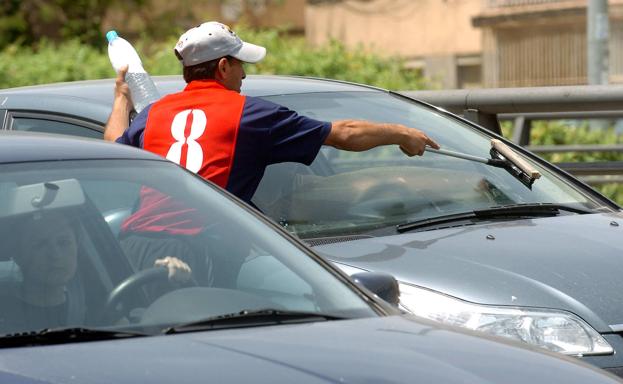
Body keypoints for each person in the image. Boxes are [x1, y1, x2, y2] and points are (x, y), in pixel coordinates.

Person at [104, 21, 440, 286]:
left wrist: (122, 97)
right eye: (240, 65)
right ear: (223, 66)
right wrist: (402, 133)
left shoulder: (156, 112)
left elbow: (113, 146)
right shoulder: (250, 114)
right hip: (199, 249)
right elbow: (343, 134)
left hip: (135, 245)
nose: (245, 74)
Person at [0, 210, 190, 333]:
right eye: (40, 244)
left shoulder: (99, 306)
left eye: (64, 243)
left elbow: (143, 334)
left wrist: (174, 284)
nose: (55, 255)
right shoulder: (5, 316)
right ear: (18, 254)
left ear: (77, 246)